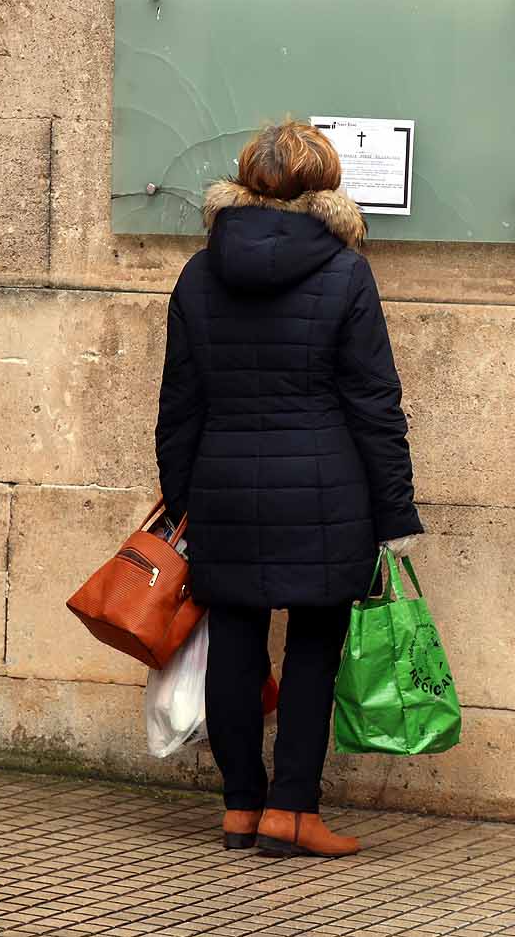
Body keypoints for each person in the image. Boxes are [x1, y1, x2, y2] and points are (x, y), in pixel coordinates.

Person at [154, 121, 423, 859]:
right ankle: (291, 810)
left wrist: (183, 501)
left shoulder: (199, 274)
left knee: (235, 641)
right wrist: (395, 511)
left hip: (225, 488)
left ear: (246, 180)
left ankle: (241, 805)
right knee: (313, 648)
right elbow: (375, 403)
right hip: (326, 490)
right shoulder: (345, 272)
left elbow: (180, 403)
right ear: (325, 184)